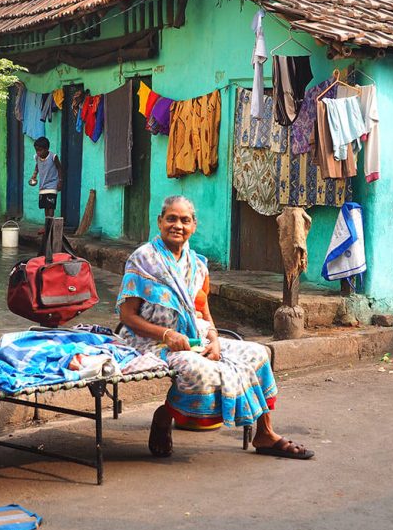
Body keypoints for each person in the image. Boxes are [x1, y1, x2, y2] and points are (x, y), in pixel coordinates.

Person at [117, 195, 314, 460]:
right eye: (171, 219)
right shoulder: (143, 259)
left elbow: (203, 311)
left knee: (257, 354)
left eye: (185, 220)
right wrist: (166, 334)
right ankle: (163, 417)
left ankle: (264, 432)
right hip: (151, 341)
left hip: (195, 338)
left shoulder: (197, 264)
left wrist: (215, 339)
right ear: (160, 222)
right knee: (201, 370)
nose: (177, 225)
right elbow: (127, 316)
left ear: (193, 226)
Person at [28, 136, 63, 224]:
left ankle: (49, 224)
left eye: (40, 150)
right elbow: (37, 166)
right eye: (37, 150)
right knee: (45, 206)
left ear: (47, 149)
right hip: (42, 186)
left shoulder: (53, 157)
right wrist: (34, 175)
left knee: (51, 206)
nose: (38, 152)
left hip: (52, 185)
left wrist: (60, 181)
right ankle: (47, 225)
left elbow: (59, 168)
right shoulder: (37, 157)